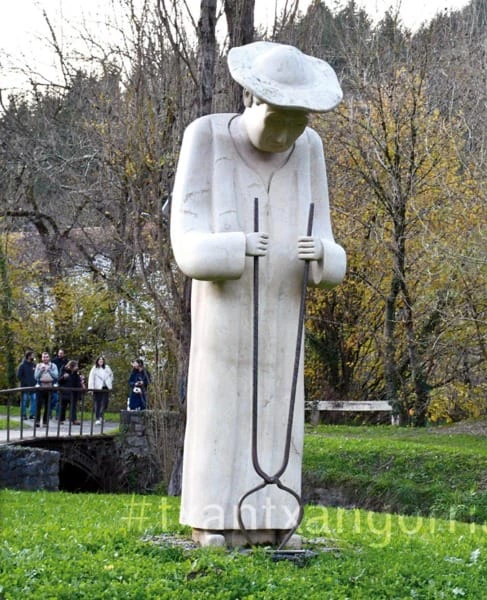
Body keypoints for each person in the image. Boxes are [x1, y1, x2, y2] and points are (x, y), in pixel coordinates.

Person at [170, 41, 346, 547]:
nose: (288, 133)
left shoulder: (309, 150)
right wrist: (235, 247)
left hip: (285, 308)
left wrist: (325, 258)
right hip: (227, 313)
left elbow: (329, 238)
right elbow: (186, 240)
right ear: (251, 101)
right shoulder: (206, 137)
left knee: (279, 408)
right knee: (222, 410)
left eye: (299, 121)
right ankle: (214, 519)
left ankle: (276, 517)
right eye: (278, 119)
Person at [34, 352, 59, 427]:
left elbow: (56, 376)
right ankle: (37, 421)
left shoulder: (53, 366)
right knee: (38, 405)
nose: (45, 358)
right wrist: (40, 371)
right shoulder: (38, 365)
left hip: (49, 387)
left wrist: (49, 370)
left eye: (47, 357)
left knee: (47, 405)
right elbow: (36, 377)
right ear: (42, 358)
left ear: (49, 358)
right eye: (44, 357)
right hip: (40, 386)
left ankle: (45, 422)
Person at [88, 356, 114, 424]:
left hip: (105, 387)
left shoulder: (107, 368)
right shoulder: (94, 368)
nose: (101, 361)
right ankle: (97, 418)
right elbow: (91, 379)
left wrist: (109, 382)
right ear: (97, 361)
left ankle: (101, 416)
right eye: (99, 360)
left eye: (102, 360)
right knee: (98, 403)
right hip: (97, 387)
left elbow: (111, 375)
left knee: (105, 403)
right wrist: (91, 388)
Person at [58, 360, 83, 425]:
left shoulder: (76, 373)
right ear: (72, 366)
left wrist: (81, 381)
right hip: (64, 392)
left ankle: (73, 420)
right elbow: (59, 381)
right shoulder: (64, 370)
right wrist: (63, 377)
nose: (77, 367)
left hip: (73, 392)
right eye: (76, 366)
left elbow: (78, 383)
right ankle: (61, 419)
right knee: (63, 406)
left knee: (73, 406)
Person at [16, 351, 37, 420]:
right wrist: (25, 382)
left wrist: (34, 382)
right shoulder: (22, 365)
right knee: (24, 401)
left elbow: (36, 375)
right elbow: (19, 376)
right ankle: (23, 415)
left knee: (33, 400)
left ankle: (32, 414)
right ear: (28, 356)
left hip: (33, 386)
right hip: (24, 387)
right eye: (32, 355)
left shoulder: (34, 365)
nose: (33, 357)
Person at [51, 348, 68, 420]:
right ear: (58, 353)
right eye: (59, 353)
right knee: (54, 398)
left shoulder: (66, 362)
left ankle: (58, 415)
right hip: (54, 380)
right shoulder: (54, 361)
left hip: (62, 381)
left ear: (64, 354)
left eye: (62, 353)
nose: (60, 354)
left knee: (59, 399)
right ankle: (49, 412)